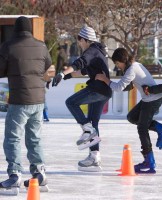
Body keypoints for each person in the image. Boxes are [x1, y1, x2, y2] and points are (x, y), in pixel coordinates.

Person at [95, 48, 162, 174]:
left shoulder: (131, 69)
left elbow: (119, 87)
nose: (117, 66)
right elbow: (130, 86)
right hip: (149, 98)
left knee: (142, 128)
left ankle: (149, 161)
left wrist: (105, 80)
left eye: (117, 63)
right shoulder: (134, 66)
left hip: (153, 99)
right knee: (132, 117)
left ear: (122, 60)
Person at [0, 16, 52, 194]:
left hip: (20, 100)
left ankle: (14, 175)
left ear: (15, 29)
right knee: (34, 138)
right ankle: (39, 173)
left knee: (13, 138)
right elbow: (47, 64)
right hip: (38, 100)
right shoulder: (41, 45)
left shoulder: (8, 46)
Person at [52, 25, 112, 172]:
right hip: (104, 92)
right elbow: (83, 70)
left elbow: (79, 63)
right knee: (93, 122)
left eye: (79, 39)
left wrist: (62, 72)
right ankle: (94, 157)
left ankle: (87, 130)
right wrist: (64, 76)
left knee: (71, 102)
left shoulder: (91, 50)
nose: (78, 42)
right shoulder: (98, 52)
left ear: (85, 39)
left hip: (97, 89)